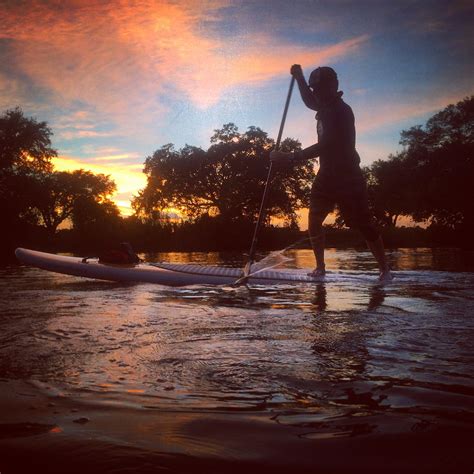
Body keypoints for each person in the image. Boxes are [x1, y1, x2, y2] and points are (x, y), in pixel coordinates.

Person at [270, 65, 392, 282]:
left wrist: (290, 157)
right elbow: (308, 101)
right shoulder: (324, 105)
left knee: (363, 224)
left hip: (348, 177)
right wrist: (299, 78)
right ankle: (320, 268)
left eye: (319, 88)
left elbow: (326, 145)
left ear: (333, 86)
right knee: (314, 220)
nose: (316, 93)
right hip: (326, 176)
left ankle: (384, 270)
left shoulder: (341, 111)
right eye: (314, 88)